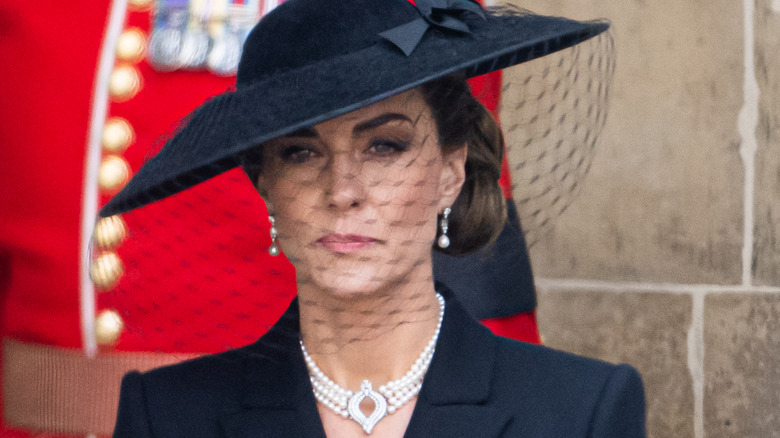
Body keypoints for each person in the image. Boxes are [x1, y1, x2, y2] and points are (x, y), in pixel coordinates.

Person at [108, 0, 646, 436]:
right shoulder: (167, 416)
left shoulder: (580, 412)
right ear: (266, 184)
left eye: (384, 147)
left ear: (450, 173)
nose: (343, 191)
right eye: (302, 153)